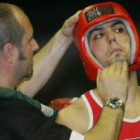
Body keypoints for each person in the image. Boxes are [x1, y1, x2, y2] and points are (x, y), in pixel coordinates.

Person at [0, 2, 126, 140]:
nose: (35, 46)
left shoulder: (8, 103)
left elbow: (18, 94)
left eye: (119, 29)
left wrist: (64, 37)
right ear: (9, 52)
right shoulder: (12, 114)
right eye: (29, 40)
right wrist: (115, 100)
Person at [52, 2, 140, 140]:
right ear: (87, 53)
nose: (111, 37)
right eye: (99, 35)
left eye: (118, 29)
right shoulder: (73, 118)